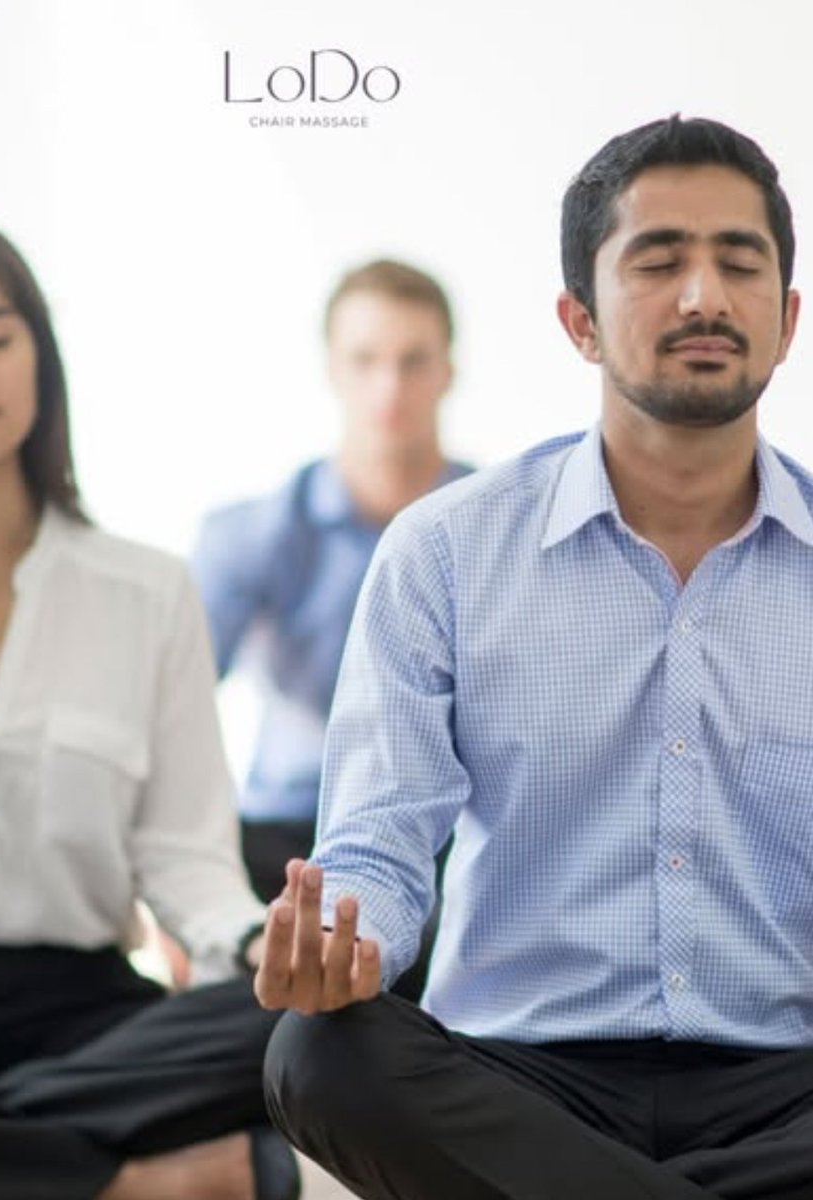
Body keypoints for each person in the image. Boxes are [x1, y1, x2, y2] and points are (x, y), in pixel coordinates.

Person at [256, 115, 813, 1200]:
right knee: (317, 1054)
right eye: (657, 262)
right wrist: (346, 937)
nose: (701, 297)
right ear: (578, 321)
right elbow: (376, 841)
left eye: (737, 264)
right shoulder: (446, 551)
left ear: (785, 319)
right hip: (515, 1081)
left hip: (783, 1085)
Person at [0, 214, 296, 1200]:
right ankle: (116, 1185)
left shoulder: (148, 592)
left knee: (325, 1024)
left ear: (39, 359)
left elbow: (188, 859)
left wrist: (263, 948)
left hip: (86, 1020)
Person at [191, 260, 471, 911]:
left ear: (447, 372)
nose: (388, 386)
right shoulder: (253, 533)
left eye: (412, 361)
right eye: (365, 359)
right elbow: (170, 709)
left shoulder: (499, 531)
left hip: (447, 842)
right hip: (284, 836)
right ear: (331, 370)